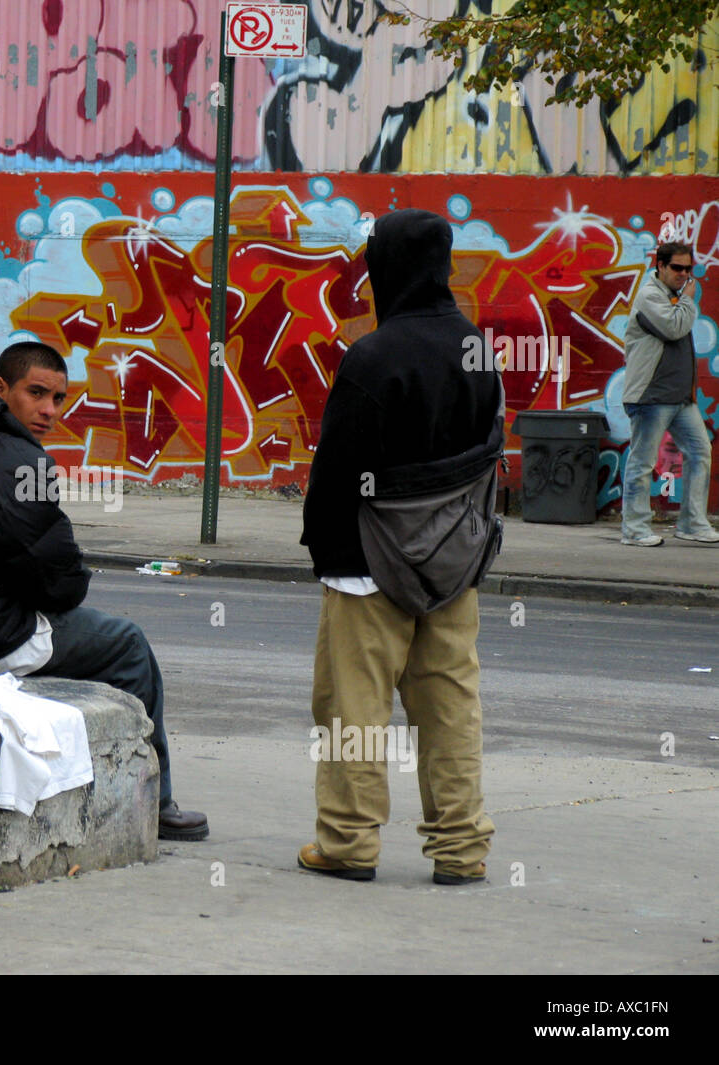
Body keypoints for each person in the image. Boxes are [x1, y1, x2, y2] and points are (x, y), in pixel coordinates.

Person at [0, 341, 209, 841]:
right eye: (37, 394)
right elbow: (61, 585)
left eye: (58, 399)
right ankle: (156, 805)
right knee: (127, 644)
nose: (49, 411)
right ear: (1, 388)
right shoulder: (21, 463)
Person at [298, 208, 498, 884]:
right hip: (453, 562)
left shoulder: (373, 357)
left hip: (368, 563)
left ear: (388, 268)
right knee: (450, 707)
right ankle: (461, 848)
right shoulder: (476, 348)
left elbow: (335, 474)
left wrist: (327, 554)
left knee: (353, 707)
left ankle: (349, 843)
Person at [620, 242, 718, 546]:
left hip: (678, 398)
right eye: (677, 268)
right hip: (651, 396)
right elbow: (674, 327)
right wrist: (688, 301)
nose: (684, 275)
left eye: (688, 269)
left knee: (700, 452)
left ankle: (691, 523)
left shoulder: (672, 296)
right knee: (642, 463)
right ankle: (635, 530)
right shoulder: (650, 296)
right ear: (660, 266)